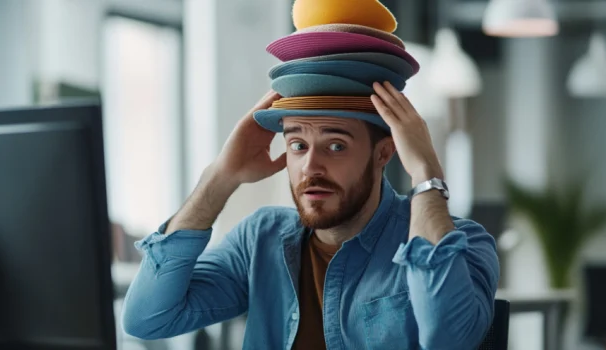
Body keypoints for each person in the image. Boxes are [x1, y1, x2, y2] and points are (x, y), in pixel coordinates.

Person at [122, 82, 500, 349]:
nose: (310, 167)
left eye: (336, 145)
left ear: (384, 154)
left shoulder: (465, 243)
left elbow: (450, 340)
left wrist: (426, 175)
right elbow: (147, 319)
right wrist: (220, 177)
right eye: (298, 145)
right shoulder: (260, 239)